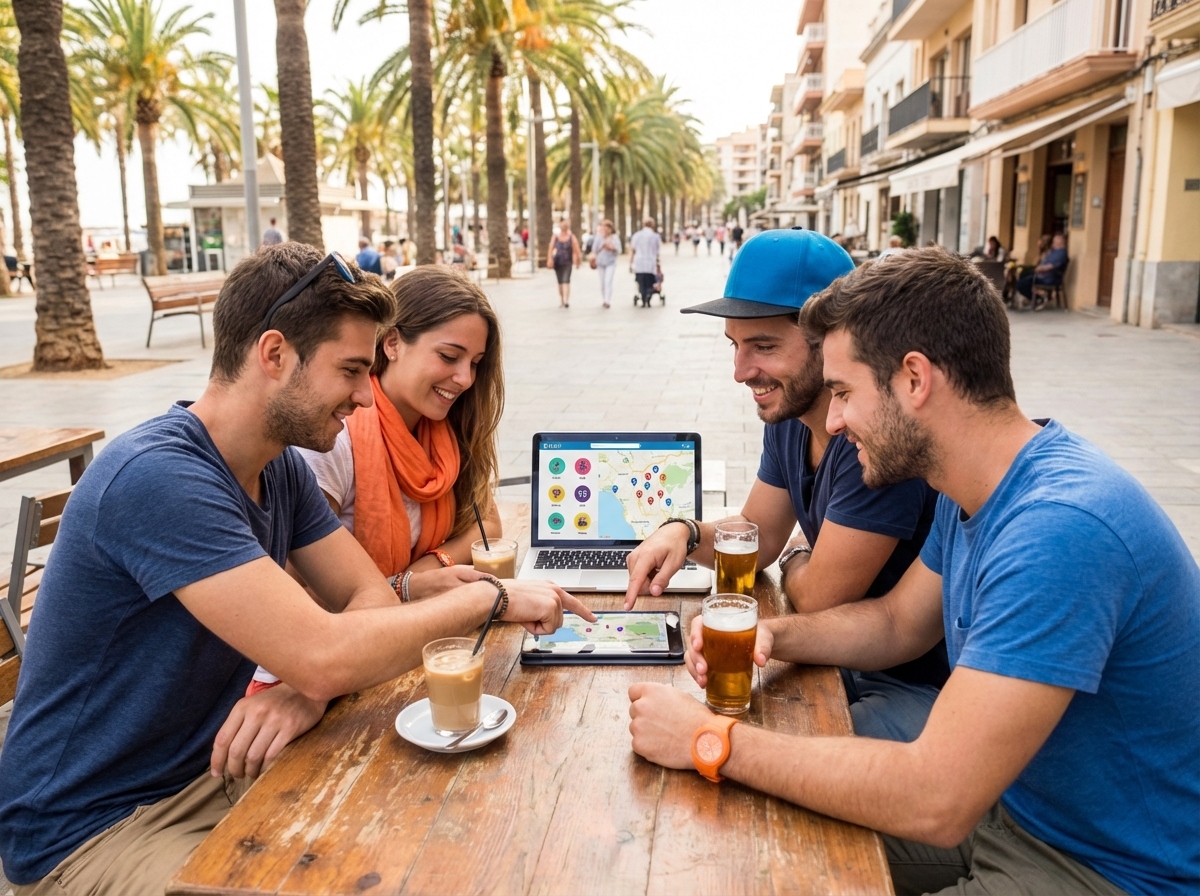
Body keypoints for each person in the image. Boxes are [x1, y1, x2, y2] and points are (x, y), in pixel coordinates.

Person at [0, 243, 593, 896]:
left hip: (211, 774)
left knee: (443, 830)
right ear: (275, 354)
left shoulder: (276, 464)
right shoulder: (160, 476)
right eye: (350, 371)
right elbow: (324, 649)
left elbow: (365, 593)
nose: (366, 398)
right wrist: (490, 599)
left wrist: (310, 685)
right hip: (91, 831)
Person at [628, 246, 1200, 896]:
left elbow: (935, 798)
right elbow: (899, 623)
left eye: (844, 392)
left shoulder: (1060, 528)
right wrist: (775, 636)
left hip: (1110, 870)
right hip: (1013, 813)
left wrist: (710, 737)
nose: (834, 420)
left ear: (914, 379)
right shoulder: (978, 487)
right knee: (739, 843)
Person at [625, 229, 946, 742]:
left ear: (833, 340)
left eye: (764, 346)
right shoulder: (789, 417)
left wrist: (798, 561)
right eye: (735, 346)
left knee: (738, 742)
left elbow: (820, 597)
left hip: (909, 686)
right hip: (841, 656)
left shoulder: (879, 442)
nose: (740, 371)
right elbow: (760, 535)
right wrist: (682, 532)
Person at [1015, 232, 1068, 311]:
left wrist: (1042, 268)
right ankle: (1036, 298)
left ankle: (1038, 299)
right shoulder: (1053, 251)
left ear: (1061, 241)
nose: (1054, 242)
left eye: (1056, 240)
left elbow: (1053, 266)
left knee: (1021, 284)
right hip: (1041, 275)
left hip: (1049, 277)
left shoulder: (1062, 253)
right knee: (1023, 274)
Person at [547, 219, 581, 308]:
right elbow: (550, 248)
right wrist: (550, 259)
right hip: (557, 261)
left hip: (567, 262)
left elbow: (576, 249)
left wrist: (578, 261)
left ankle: (566, 300)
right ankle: (562, 300)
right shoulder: (556, 237)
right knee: (560, 282)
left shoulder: (571, 237)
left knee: (566, 280)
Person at [629, 216, 662, 308]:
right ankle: (648, 295)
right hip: (650, 262)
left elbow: (632, 250)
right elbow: (657, 252)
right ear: (653, 225)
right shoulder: (655, 236)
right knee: (650, 281)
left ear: (643, 224)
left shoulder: (636, 235)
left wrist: (630, 263)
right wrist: (658, 264)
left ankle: (643, 296)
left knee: (640, 281)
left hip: (639, 262)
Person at [592, 218, 621, 309]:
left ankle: (607, 300)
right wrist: (602, 246)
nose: (605, 230)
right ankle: (604, 298)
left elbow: (619, 250)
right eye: (603, 228)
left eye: (607, 228)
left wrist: (611, 248)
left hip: (611, 262)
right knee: (602, 282)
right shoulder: (599, 237)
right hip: (600, 263)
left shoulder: (614, 238)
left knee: (608, 281)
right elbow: (594, 250)